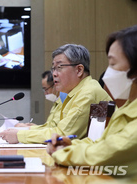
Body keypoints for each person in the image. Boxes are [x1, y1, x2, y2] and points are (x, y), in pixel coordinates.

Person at [46, 25, 137, 178]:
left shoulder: (88, 91)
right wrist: (70, 145)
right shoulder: (127, 107)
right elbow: (102, 143)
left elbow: (105, 154)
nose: (106, 74)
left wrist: (63, 153)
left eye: (113, 64)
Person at [0, 44, 112, 144]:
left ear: (79, 70)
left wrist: (19, 136)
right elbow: (55, 128)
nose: (54, 74)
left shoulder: (87, 93)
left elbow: (61, 135)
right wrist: (24, 131)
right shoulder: (76, 92)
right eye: (53, 68)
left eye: (59, 67)